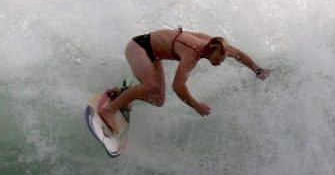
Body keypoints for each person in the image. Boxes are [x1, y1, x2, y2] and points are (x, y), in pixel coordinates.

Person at [98, 28, 270, 132]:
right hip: (139, 47)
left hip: (154, 56)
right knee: (149, 84)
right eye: (216, 60)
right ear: (209, 51)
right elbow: (178, 87)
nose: (218, 64)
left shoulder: (217, 46)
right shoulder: (192, 53)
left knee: (158, 100)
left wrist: (258, 70)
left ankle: (124, 94)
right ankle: (109, 110)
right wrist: (197, 106)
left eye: (221, 61)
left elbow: (238, 54)